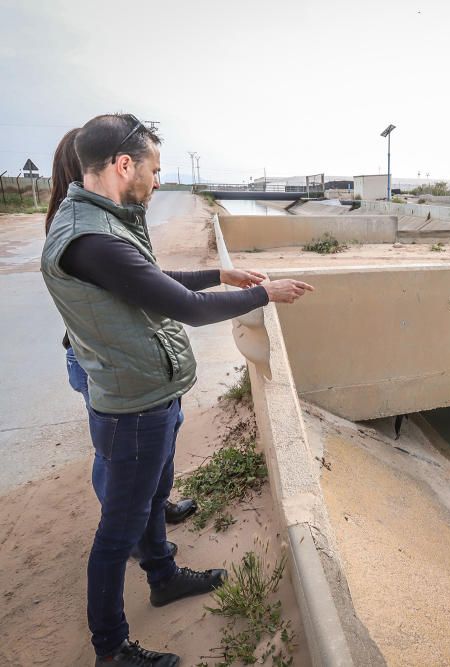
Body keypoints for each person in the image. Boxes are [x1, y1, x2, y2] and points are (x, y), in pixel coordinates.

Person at [41, 113, 314, 666]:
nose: (158, 180)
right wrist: (267, 294)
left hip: (150, 391)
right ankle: (111, 648)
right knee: (116, 533)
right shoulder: (91, 238)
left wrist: (221, 275)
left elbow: (151, 283)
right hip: (131, 407)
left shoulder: (104, 220)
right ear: (123, 165)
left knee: (151, 496)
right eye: (154, 168)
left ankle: (163, 576)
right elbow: (183, 308)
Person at [48, 129, 197, 546]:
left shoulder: (112, 216)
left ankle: (149, 514)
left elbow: (147, 281)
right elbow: (174, 301)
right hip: (103, 357)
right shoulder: (86, 231)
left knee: (150, 451)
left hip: (129, 354)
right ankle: (131, 528)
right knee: (117, 458)